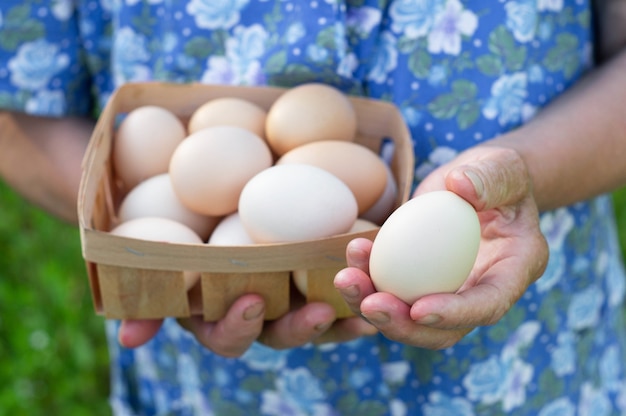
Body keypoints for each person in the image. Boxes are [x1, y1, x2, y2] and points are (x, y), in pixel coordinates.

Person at [2, 0, 626, 414]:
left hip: (522, 356)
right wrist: (178, 267)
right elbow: (15, 107)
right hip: (217, 387)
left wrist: (525, 173)